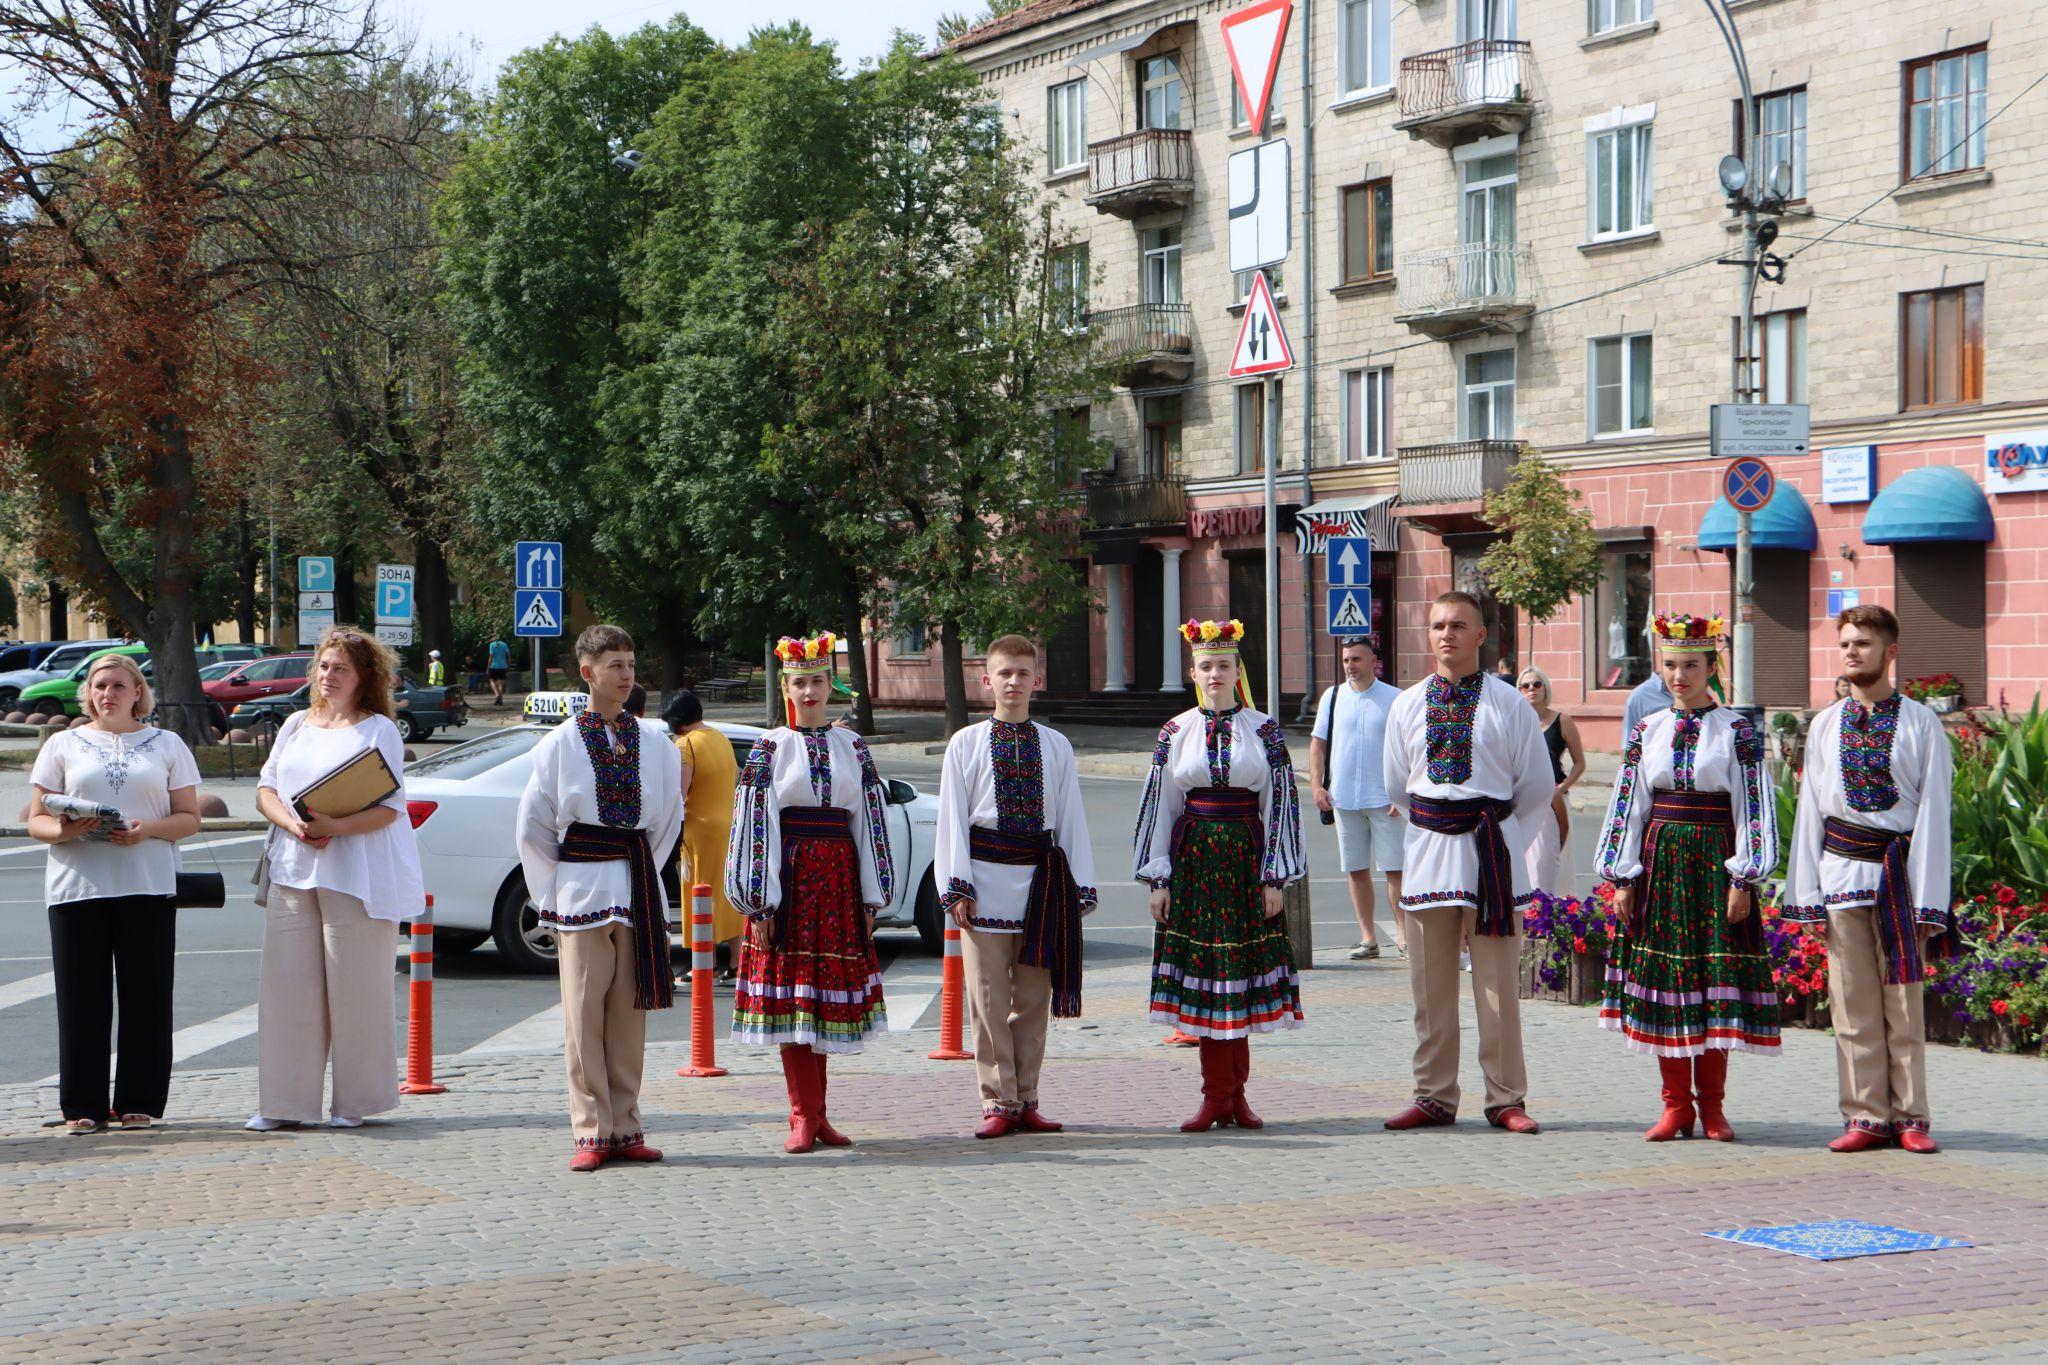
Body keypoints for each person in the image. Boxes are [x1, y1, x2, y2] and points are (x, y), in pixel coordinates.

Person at [1594, 614, 1779, 1142]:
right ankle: (1676, 1107)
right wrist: (1623, 876)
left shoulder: (1737, 731)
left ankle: (1713, 1108)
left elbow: (1753, 806)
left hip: (1714, 866)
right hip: (1661, 869)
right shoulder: (1646, 730)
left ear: (1711, 668)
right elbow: (1628, 805)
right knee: (1668, 985)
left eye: (1691, 665)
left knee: (1712, 984)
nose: (1680, 676)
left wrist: (1743, 878)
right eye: (1671, 665)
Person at [1785, 604, 1958, 1154]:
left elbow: (1934, 814)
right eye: (1845, 644)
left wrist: (1929, 901)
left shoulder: (1921, 723)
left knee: (1902, 1004)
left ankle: (1911, 1117)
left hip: (1899, 881)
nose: (1852, 652)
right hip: (1841, 878)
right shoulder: (1825, 724)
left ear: (1890, 652)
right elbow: (1810, 812)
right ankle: (1865, 1115)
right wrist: (1806, 896)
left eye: (1863, 643)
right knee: (1851, 1005)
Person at [1382, 591, 1552, 1135]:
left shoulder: (1509, 704)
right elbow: (1398, 785)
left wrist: (1505, 839)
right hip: (1429, 851)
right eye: (1438, 625)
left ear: (1481, 635)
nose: (1447, 634)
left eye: (1458, 625)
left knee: (1497, 986)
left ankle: (1505, 1098)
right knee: (1429, 986)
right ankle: (1433, 1095)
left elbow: (1536, 786)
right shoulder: (1407, 704)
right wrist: (1436, 826)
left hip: (1490, 852)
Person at [516, 625, 682, 1171]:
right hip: (582, 888)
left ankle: (627, 1124)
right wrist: (554, 892)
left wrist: (641, 869)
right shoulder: (558, 744)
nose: (627, 674)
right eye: (615, 664)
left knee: (629, 1014)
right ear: (587, 673)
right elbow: (535, 827)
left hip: (634, 887)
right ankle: (591, 1128)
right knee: (583, 1015)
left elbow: (668, 819)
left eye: (631, 663)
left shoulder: (655, 742)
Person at [250, 627, 426, 1132]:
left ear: (364, 676)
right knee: (287, 991)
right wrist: (295, 826)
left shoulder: (379, 730)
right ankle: (284, 1104)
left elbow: (390, 808)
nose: (328, 676)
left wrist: (334, 827)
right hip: (293, 869)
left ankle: (356, 1102)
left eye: (340, 668)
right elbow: (266, 789)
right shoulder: (296, 724)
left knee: (357, 991)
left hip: (355, 874)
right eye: (324, 666)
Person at [1134, 618, 1305, 1133]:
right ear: (1193, 672)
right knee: (1210, 981)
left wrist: (1273, 877)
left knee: (1240, 979)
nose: (1215, 674)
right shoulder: (1174, 731)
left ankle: (1237, 1097)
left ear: (1237, 672)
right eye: (1206, 666)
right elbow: (1161, 806)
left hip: (1246, 864)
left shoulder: (1265, 729)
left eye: (1223, 665)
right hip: (1194, 866)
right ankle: (1215, 1096)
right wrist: (1160, 879)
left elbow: (1281, 805)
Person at [727, 632, 893, 1153]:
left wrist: (872, 895)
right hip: (791, 882)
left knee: (819, 999)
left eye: (818, 681)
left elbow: (870, 821)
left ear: (830, 686)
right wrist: (760, 900)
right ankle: (802, 1113)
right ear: (787, 689)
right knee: (797, 996)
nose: (809, 691)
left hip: (839, 883)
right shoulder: (770, 748)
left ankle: (817, 1115)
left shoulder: (853, 747)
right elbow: (755, 823)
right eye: (799, 683)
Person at [30, 653, 202, 1133]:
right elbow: (37, 819)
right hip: (76, 888)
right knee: (80, 1001)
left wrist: (147, 830)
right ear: (88, 693)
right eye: (100, 685)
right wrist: (66, 830)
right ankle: (82, 1105)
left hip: (148, 885)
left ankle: (138, 1100)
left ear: (137, 693)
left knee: (147, 997)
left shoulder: (166, 744)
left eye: (119, 685)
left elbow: (190, 818)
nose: (108, 693)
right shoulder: (62, 744)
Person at [935, 635, 1096, 1139]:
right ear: (987, 681)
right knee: (987, 1000)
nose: (1013, 682)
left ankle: (1027, 1097)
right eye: (1004, 673)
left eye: (1022, 673)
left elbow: (1071, 818)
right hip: (983, 885)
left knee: (1031, 999)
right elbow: (952, 820)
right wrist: (957, 885)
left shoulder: (1056, 745)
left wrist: (1078, 888)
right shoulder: (965, 743)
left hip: (1042, 889)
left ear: (1036, 680)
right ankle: (997, 1100)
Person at [1310, 635, 1405, 960]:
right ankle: (1368, 938)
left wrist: (1402, 792)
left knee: (1395, 870)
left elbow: (1408, 748)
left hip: (1385, 801)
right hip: (1344, 798)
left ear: (1373, 661)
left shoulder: (1394, 698)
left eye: (1356, 659)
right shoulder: (1332, 697)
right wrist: (1317, 786)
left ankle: (1404, 938)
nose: (1350, 665)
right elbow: (1318, 744)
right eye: (1346, 660)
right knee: (1356, 869)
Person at [664, 688, 744, 978]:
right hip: (727, 826)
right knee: (726, 896)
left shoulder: (685, 744)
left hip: (699, 830)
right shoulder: (720, 738)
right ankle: (737, 962)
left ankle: (704, 962)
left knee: (699, 894)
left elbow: (679, 794)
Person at [1516, 667, 1586, 900]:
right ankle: (1530, 911)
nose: (1532, 689)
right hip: (1525, 799)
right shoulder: (1517, 723)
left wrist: (1561, 790)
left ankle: (1553, 909)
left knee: (1552, 859)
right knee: (1527, 862)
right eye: (1525, 686)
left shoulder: (1562, 720)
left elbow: (1579, 763)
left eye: (1537, 684)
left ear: (1545, 688)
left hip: (1554, 800)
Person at [1623, 669, 1674, 737]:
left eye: (1688, 665)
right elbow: (1630, 739)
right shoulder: (1639, 696)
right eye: (1670, 665)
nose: (1679, 674)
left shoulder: (1688, 692)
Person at [487, 637, 511, 706]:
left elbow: (491, 656)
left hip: (494, 666)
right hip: (503, 666)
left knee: (492, 681)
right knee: (501, 684)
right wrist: (508, 665)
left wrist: (488, 668)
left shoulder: (492, 645)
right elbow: (509, 655)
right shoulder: (504, 644)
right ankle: (500, 700)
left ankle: (497, 695)